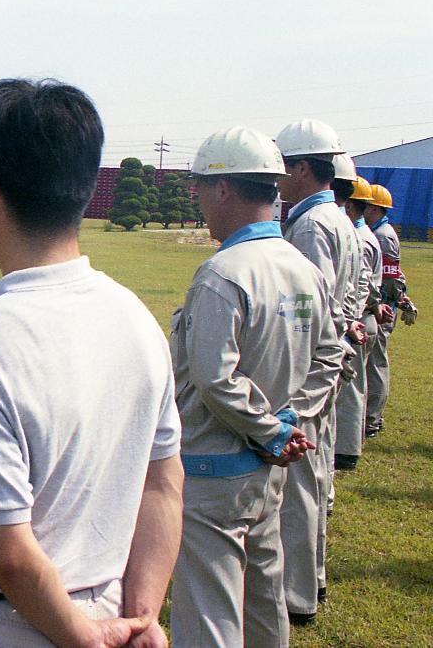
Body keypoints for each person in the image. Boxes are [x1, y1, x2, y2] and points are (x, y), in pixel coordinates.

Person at [0, 79, 182, 648]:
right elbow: (163, 485)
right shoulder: (136, 318)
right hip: (115, 605)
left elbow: (10, 551)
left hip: (14, 624)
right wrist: (140, 616)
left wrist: (86, 638)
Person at [169, 127, 340, 648]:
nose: (197, 200)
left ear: (222, 190)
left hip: (214, 467)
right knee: (263, 598)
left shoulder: (223, 274)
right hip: (271, 467)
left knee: (209, 608)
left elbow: (214, 377)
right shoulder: (301, 267)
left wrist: (269, 430)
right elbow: (330, 354)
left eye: (199, 187)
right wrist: (290, 424)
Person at [273, 118, 359, 624]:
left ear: (302, 168)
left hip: (310, 371)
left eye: (283, 168)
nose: (277, 180)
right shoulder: (337, 220)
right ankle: (314, 580)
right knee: (315, 472)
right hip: (332, 360)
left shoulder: (310, 226)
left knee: (299, 486)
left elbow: (308, 308)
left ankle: (296, 595)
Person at [334, 173, 382, 471]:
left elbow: (361, 284)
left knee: (350, 389)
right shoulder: (364, 235)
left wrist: (351, 321)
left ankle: (347, 450)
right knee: (356, 386)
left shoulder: (360, 238)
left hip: (358, 320)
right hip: (363, 318)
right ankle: (349, 446)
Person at [363, 183, 416, 437]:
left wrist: (396, 300)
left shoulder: (382, 236)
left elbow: (391, 276)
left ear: (374, 207)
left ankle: (372, 420)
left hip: (382, 307)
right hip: (381, 305)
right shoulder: (380, 231)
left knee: (375, 365)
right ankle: (371, 416)